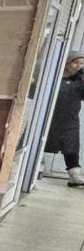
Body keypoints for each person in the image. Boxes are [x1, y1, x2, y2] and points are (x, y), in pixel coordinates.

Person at [46, 51, 84, 186]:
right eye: (76, 63)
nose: (79, 66)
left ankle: (74, 176)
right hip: (48, 118)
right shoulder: (54, 76)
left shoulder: (79, 81)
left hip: (69, 121)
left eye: (82, 64)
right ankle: (30, 169)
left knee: (71, 148)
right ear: (67, 63)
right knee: (39, 143)